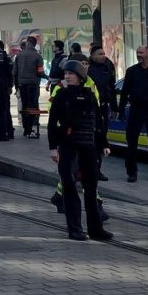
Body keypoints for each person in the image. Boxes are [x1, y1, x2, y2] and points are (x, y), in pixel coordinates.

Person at [48, 61, 113, 241]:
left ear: (80, 76)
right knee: (69, 188)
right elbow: (52, 124)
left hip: (88, 147)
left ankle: (95, 229)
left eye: (71, 73)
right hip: (68, 147)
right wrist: (53, 148)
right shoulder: (61, 95)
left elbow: (98, 121)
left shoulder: (89, 95)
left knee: (91, 189)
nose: (67, 76)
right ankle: (74, 228)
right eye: (65, 73)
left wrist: (104, 144)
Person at [119, 46, 148, 182]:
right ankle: (132, 173)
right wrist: (120, 111)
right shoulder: (132, 71)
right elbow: (124, 92)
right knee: (132, 142)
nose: (138, 55)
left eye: (141, 53)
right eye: (137, 53)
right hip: (136, 109)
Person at [87, 44, 118, 181]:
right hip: (90, 108)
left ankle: (97, 170)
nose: (103, 56)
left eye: (104, 53)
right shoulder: (87, 68)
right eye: (99, 54)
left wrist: (115, 107)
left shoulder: (108, 66)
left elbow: (112, 87)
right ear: (92, 56)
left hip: (103, 107)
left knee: (101, 137)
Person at [14, 36, 47, 138]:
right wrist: (47, 77)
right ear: (35, 43)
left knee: (24, 106)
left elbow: (14, 72)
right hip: (33, 84)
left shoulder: (19, 55)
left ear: (28, 43)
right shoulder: (37, 56)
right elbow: (40, 72)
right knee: (33, 106)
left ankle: (25, 128)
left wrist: (16, 86)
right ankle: (31, 127)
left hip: (22, 84)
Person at [0, 40, 15, 139]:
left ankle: (5, 130)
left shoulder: (3, 58)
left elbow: (10, 73)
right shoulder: (7, 58)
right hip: (5, 87)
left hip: (2, 87)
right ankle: (9, 130)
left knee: (3, 110)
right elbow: (10, 74)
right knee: (6, 110)